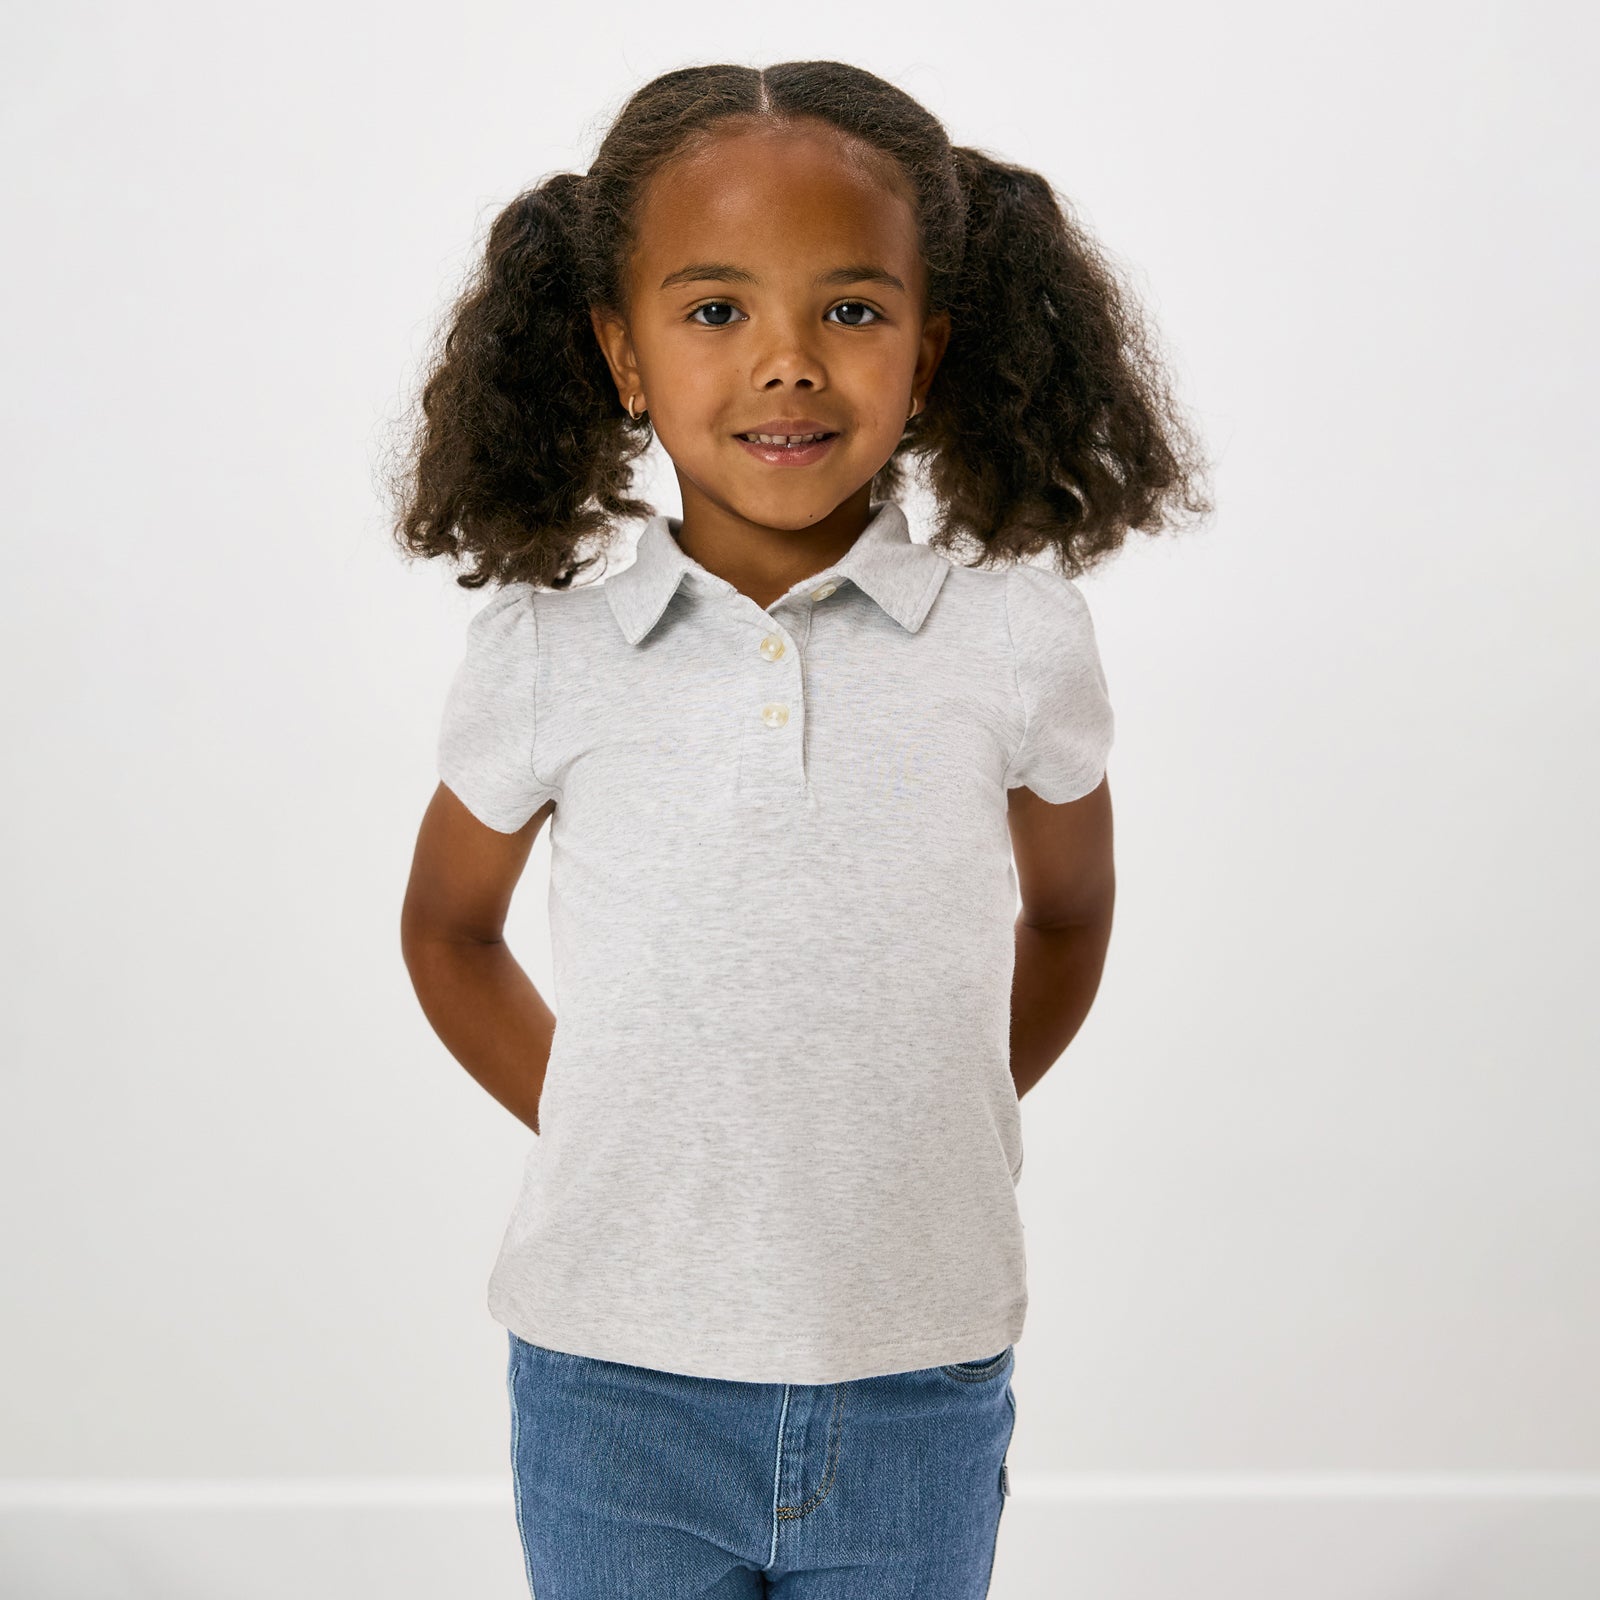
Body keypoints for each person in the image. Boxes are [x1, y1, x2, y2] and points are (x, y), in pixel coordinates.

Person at [394, 58, 1211, 1600]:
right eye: (716, 310)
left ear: (929, 349)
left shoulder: (1014, 636)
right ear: (622, 353)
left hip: (917, 1370)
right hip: (611, 1383)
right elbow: (449, 929)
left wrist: (933, 1101)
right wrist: (617, 1113)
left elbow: (1069, 913)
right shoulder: (549, 652)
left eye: (850, 309)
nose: (787, 363)